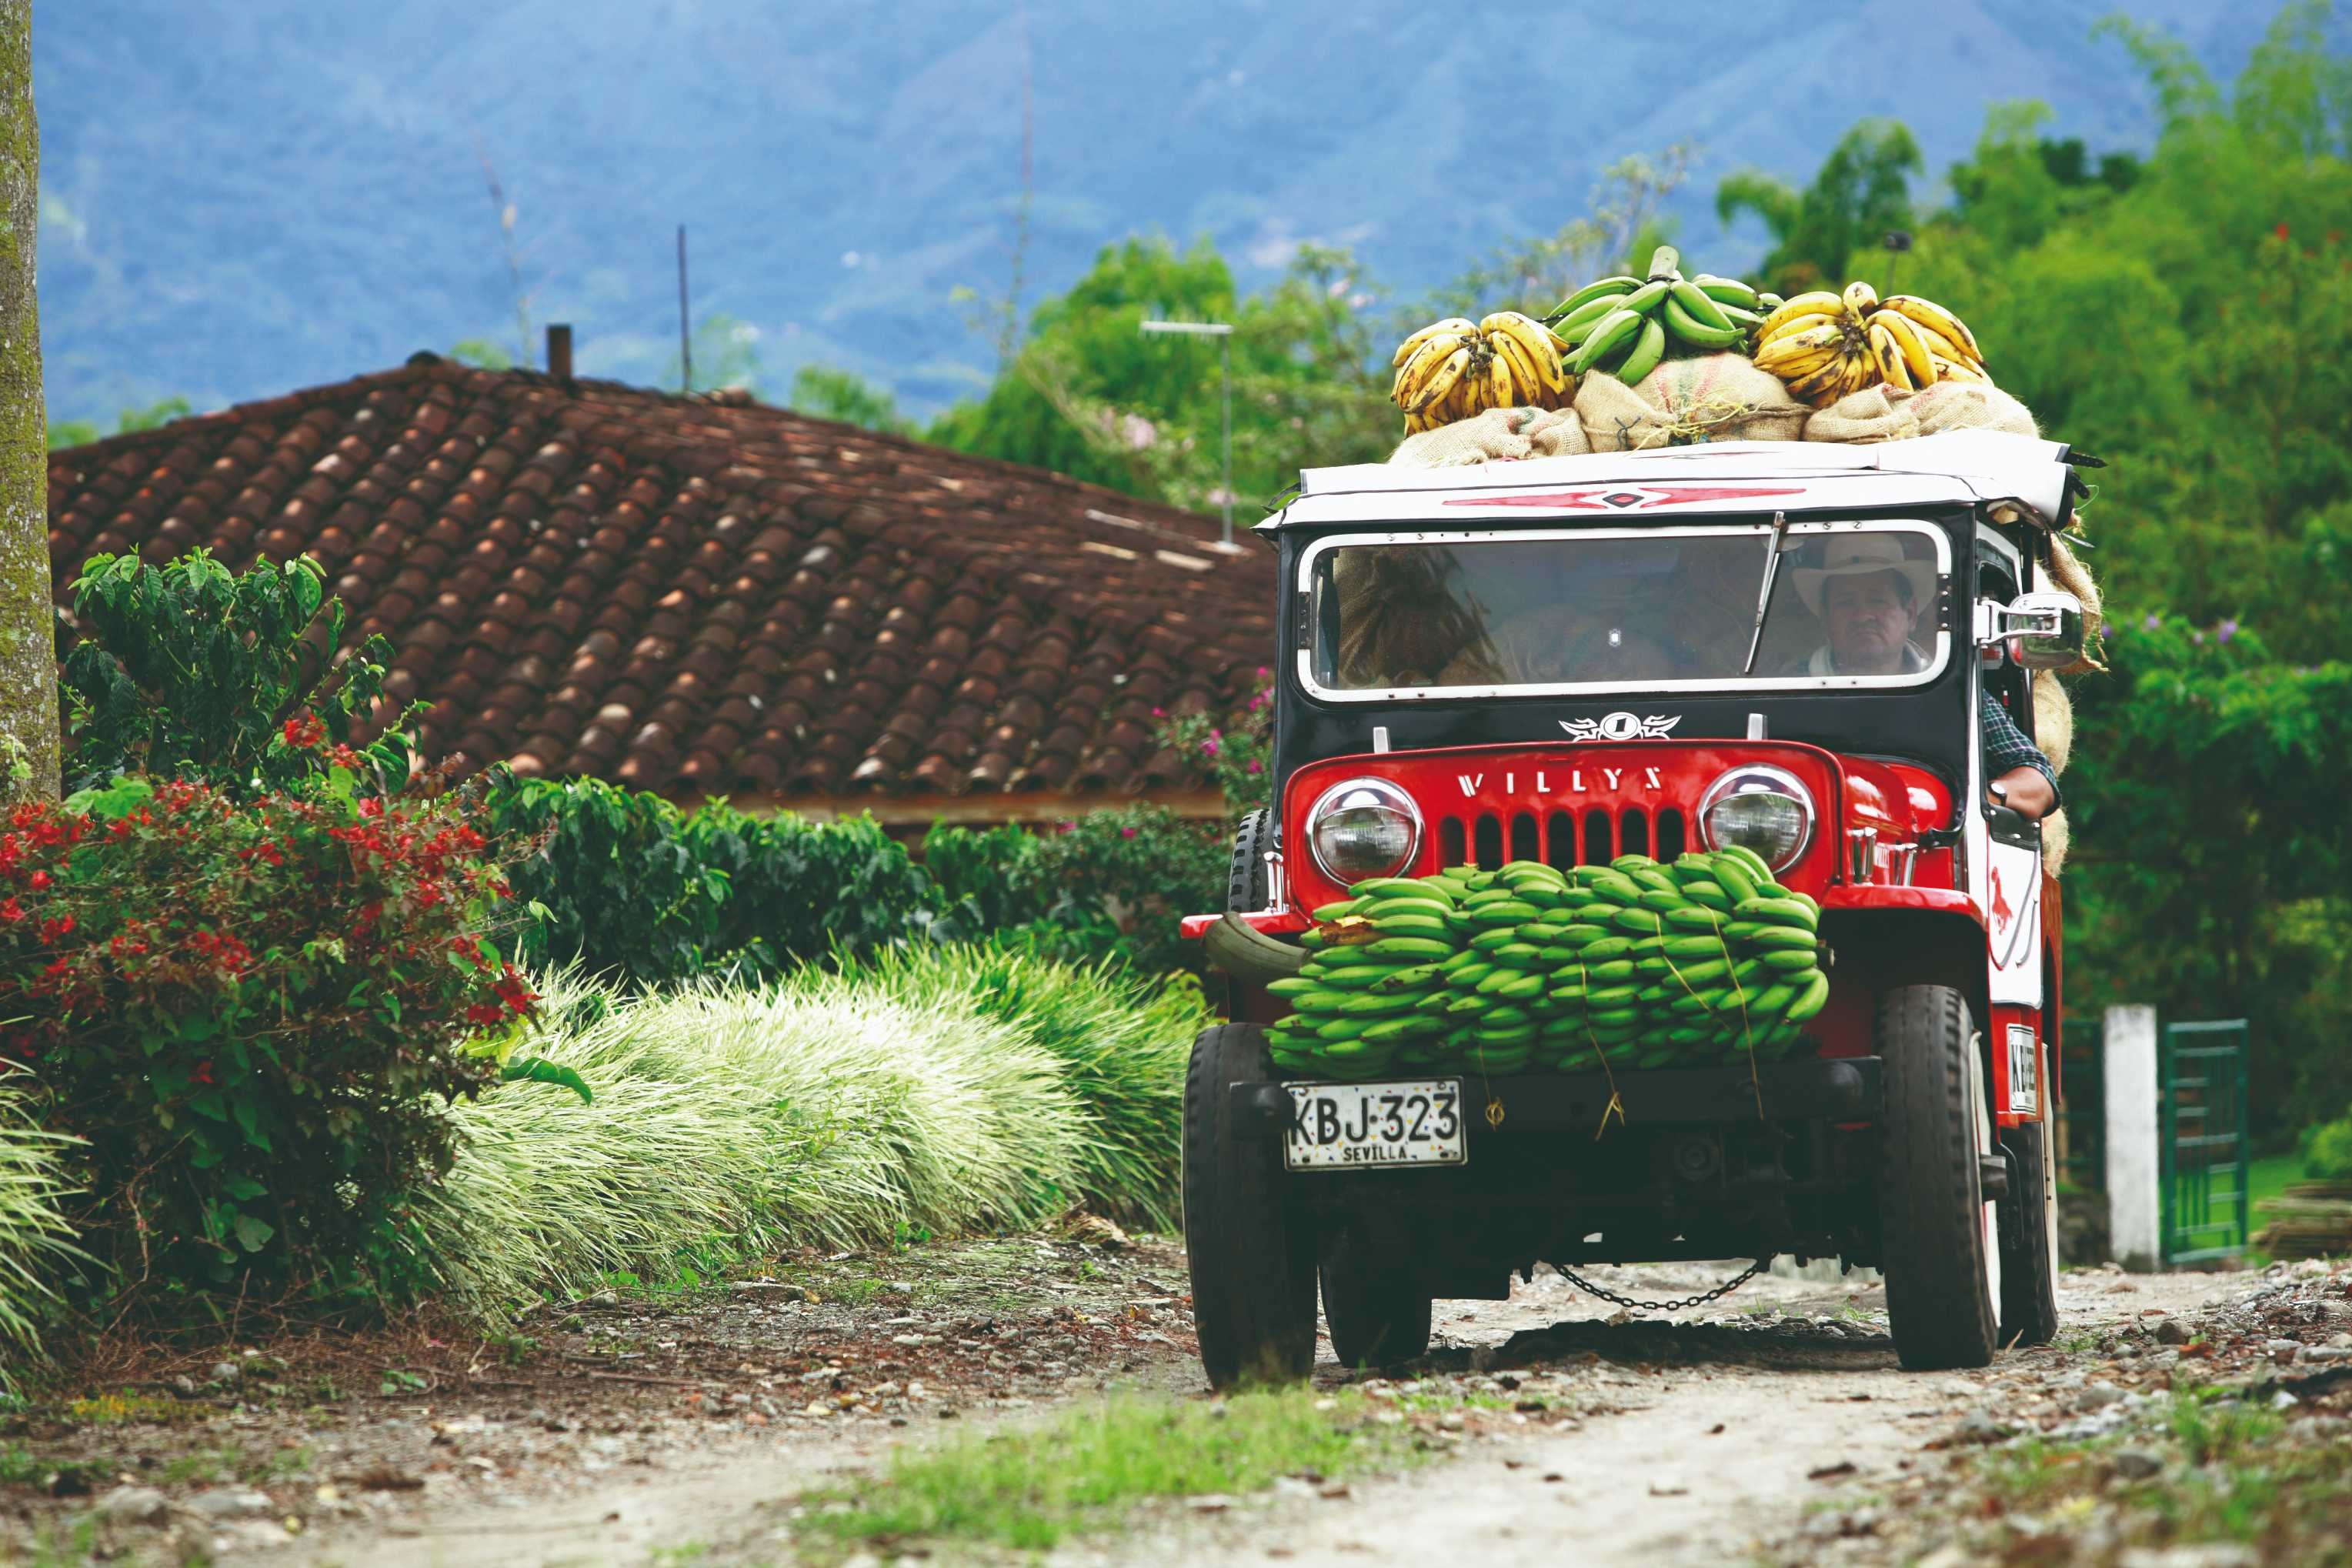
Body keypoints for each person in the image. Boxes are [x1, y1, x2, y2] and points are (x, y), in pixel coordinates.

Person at [1790, 535, 2060, 822]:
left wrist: (1984, 798)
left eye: (1878, 600)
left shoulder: (1953, 693)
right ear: (1825, 620)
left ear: (1910, 614)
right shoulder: (1789, 691)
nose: (1864, 615)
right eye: (1846, 603)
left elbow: (2038, 779)